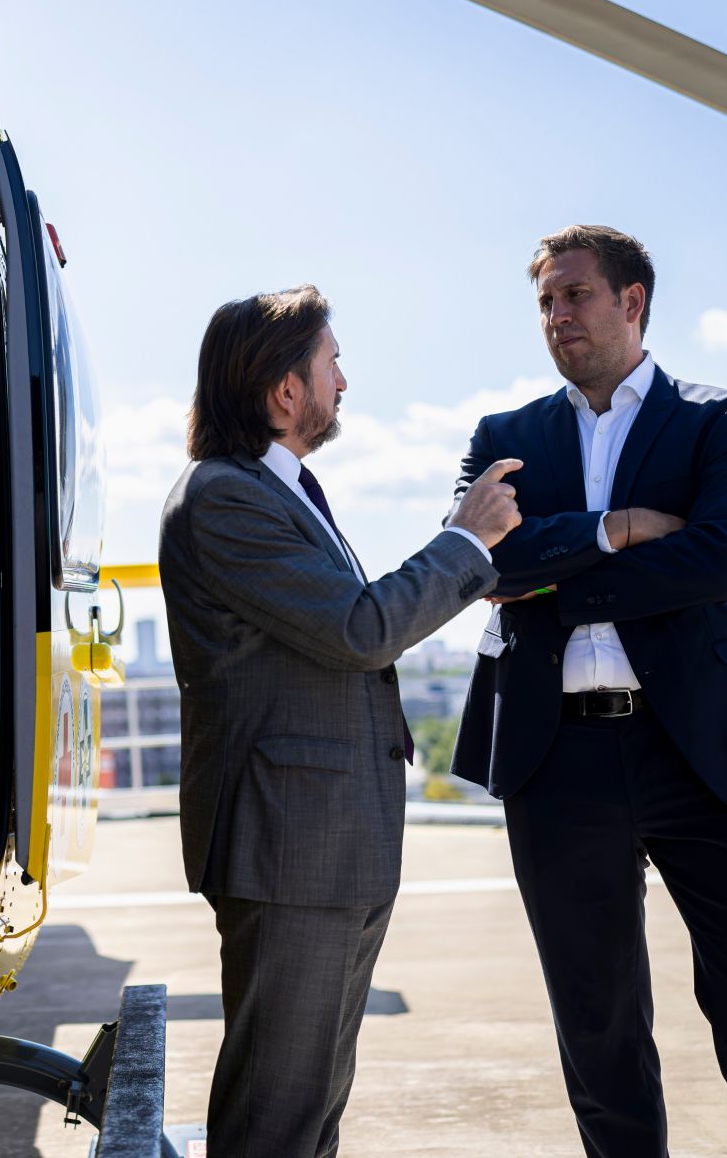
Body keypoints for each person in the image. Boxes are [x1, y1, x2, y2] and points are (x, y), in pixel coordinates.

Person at [450, 225, 727, 1157]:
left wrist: (555, 577)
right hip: (558, 758)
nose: (557, 316)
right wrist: (619, 529)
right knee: (598, 1028)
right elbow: (479, 568)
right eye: (545, 301)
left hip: (704, 752)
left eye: (575, 295)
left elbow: (720, 559)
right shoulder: (506, 439)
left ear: (632, 302)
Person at [159, 284, 523, 1158]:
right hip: (290, 850)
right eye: (331, 364)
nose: (344, 382)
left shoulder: (282, 491)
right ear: (286, 391)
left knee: (311, 1109)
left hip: (329, 846)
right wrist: (465, 544)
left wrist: (470, 568)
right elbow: (361, 628)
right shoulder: (224, 497)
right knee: (277, 1118)